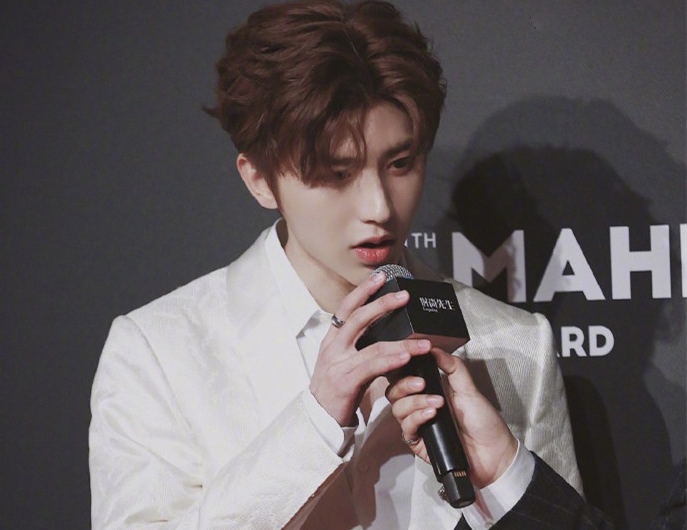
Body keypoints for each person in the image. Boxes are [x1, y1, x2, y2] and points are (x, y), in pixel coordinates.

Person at [89, 1, 597, 528]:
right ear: (260, 179)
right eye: (337, 173)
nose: (379, 207)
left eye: (400, 163)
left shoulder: (517, 345)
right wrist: (313, 424)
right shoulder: (158, 353)